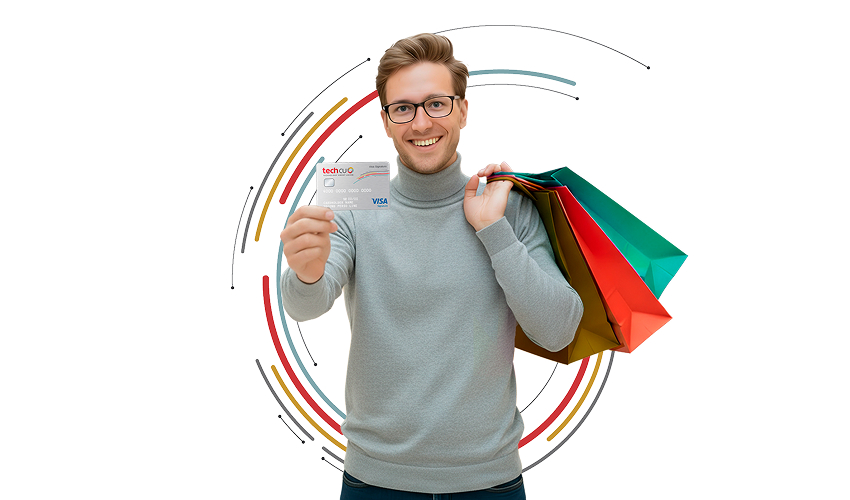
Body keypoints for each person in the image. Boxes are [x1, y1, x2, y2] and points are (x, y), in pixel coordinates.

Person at [279, 33, 583, 499]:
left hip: (490, 481)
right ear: (385, 121)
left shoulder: (507, 204)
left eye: (437, 104)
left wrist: (492, 231)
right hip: (374, 479)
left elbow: (559, 329)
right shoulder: (355, 191)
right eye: (403, 108)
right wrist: (305, 273)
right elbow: (306, 306)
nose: (421, 122)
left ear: (462, 110)